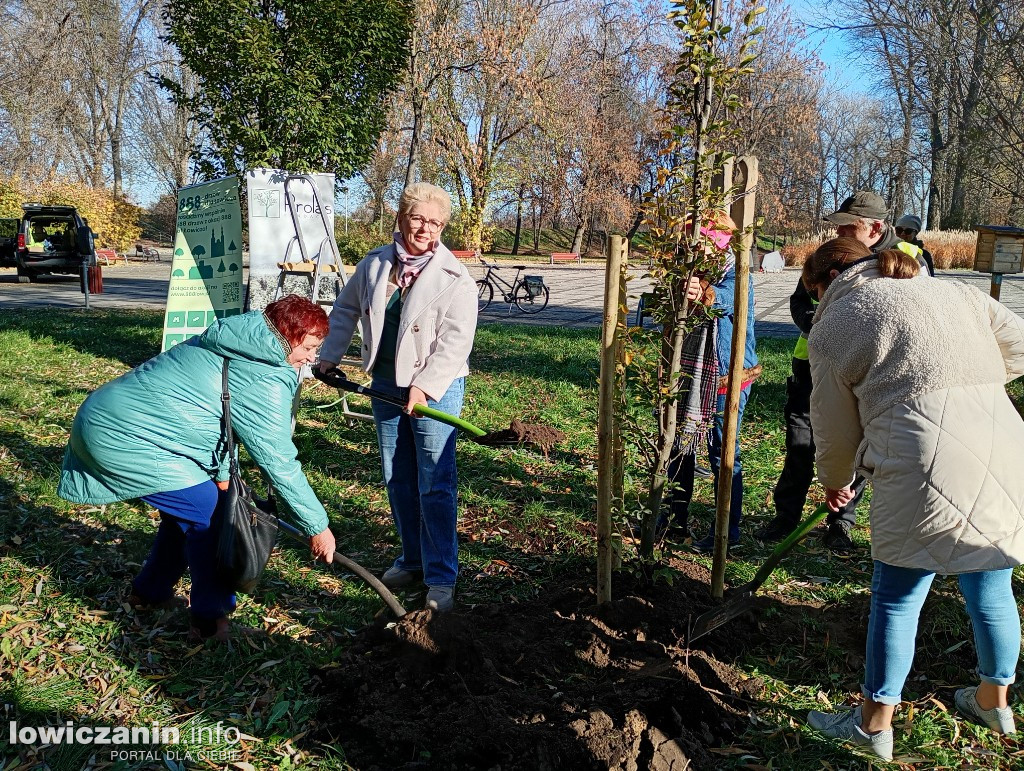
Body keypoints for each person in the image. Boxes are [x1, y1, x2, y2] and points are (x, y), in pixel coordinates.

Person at [800, 239, 1024, 760]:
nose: (814, 302)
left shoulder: (836, 324)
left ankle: (873, 726)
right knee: (991, 581)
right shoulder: (953, 293)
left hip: (921, 458)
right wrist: (972, 388)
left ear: (832, 275)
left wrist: (835, 480)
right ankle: (994, 700)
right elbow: (1018, 345)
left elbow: (832, 425)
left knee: (898, 593)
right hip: (1004, 443)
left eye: (814, 291)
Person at [58, 296, 338, 641]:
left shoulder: (237, 339)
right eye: (309, 347)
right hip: (126, 438)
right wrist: (317, 525)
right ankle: (210, 620)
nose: (312, 358)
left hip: (107, 418)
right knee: (210, 517)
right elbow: (278, 460)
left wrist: (221, 478)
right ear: (287, 335)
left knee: (193, 509)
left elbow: (220, 420)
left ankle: (149, 592)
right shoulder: (263, 374)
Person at [318, 182, 477, 613]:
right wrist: (329, 357)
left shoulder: (455, 278)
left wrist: (424, 386)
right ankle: (412, 559)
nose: (425, 228)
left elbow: (456, 342)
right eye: (418, 218)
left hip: (434, 390)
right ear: (402, 217)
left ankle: (442, 574)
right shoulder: (375, 264)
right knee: (397, 476)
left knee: (434, 480)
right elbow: (346, 311)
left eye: (435, 222)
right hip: (384, 384)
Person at [757, 191, 927, 552]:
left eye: (847, 227)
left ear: (876, 227)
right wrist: (817, 326)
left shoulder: (911, 259)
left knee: (857, 446)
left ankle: (840, 524)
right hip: (812, 363)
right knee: (800, 440)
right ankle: (786, 517)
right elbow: (801, 297)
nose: (839, 234)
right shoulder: (832, 254)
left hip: (868, 370)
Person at [663, 212, 759, 554]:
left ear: (718, 241)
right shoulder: (688, 269)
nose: (693, 244)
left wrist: (702, 290)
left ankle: (726, 531)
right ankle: (674, 519)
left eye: (700, 238)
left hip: (726, 376)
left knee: (722, 452)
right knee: (678, 443)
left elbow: (726, 297)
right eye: (690, 237)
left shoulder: (736, 272)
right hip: (689, 370)